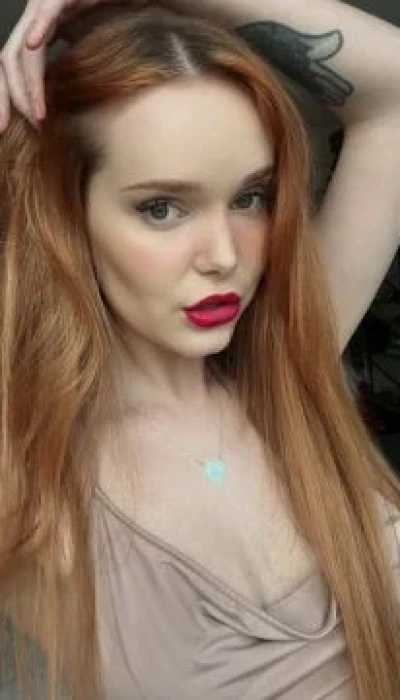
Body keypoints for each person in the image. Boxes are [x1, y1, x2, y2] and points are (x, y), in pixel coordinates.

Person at [0, 0, 400, 698]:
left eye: (250, 198)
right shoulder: (30, 468)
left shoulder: (289, 368)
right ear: (67, 216)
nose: (223, 256)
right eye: (162, 207)